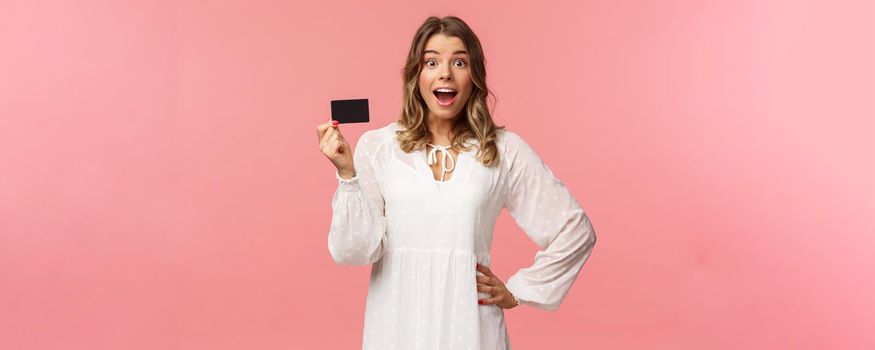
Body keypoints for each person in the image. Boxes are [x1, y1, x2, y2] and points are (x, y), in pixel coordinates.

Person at [315, 15, 596, 350]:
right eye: (431, 62)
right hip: (397, 326)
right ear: (416, 76)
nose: (445, 72)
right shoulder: (379, 147)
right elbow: (355, 251)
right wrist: (348, 175)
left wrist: (518, 292)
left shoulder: (504, 150)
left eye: (459, 62)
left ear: (473, 75)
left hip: (472, 329)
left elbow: (574, 229)